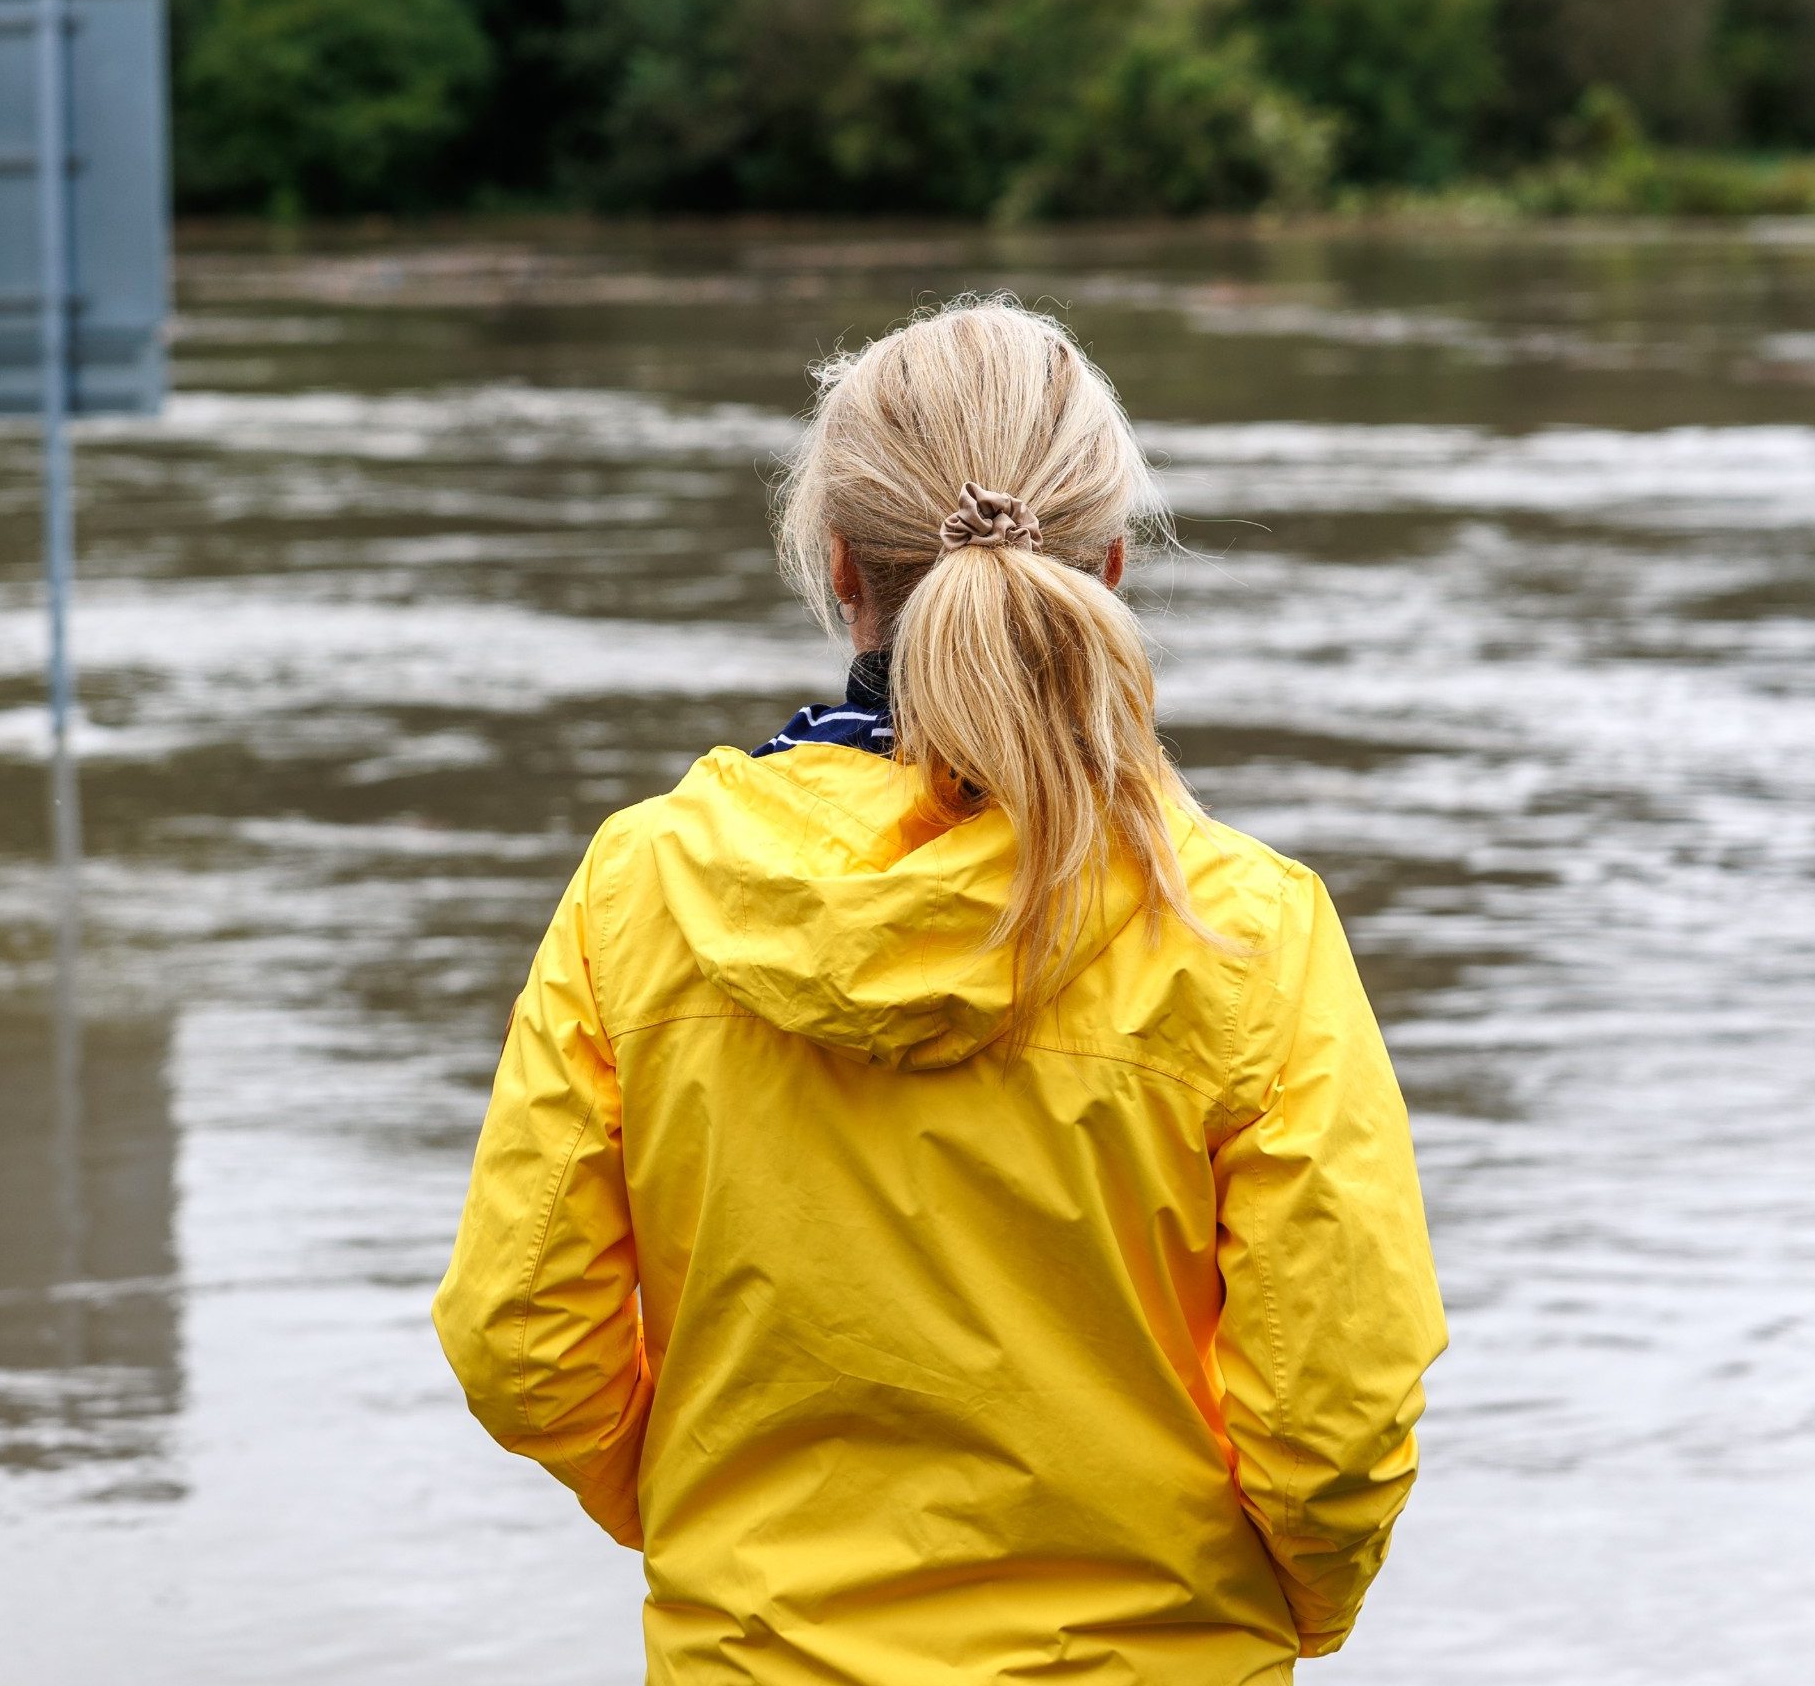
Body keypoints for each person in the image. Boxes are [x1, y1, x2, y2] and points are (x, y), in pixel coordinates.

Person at [432, 298, 1446, 1683]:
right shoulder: (1243, 933)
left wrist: (713, 1525)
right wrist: (1278, 1613)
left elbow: (522, 1343)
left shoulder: (642, 892)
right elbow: (1335, 1415)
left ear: (840, 568)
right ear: (1105, 565)